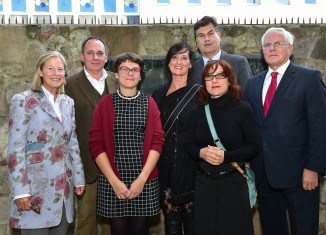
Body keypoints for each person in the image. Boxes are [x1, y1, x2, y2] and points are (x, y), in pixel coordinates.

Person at [245, 27, 326, 235]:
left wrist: (314, 167)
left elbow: (320, 125)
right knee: (272, 229)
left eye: (278, 43)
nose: (272, 48)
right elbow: (253, 127)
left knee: (304, 229)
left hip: (301, 175)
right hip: (264, 175)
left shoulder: (309, 78)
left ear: (290, 48)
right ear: (262, 51)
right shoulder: (253, 84)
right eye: (267, 45)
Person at [7, 51, 85, 234]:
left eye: (60, 69)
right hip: (34, 190)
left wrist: (79, 178)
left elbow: (72, 143)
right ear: (40, 71)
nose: (56, 73)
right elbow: (15, 149)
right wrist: (21, 191)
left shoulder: (68, 103)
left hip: (62, 191)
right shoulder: (23, 101)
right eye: (50, 68)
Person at [88, 52, 165, 235]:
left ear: (140, 75)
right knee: (118, 231)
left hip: (144, 179)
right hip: (113, 179)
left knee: (140, 230)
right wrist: (114, 181)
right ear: (116, 74)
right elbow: (96, 143)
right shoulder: (105, 104)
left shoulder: (150, 103)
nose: (129, 73)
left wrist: (141, 179)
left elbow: (157, 141)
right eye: (124, 69)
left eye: (134, 70)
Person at [186, 60, 259, 235]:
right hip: (204, 184)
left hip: (233, 183)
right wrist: (201, 152)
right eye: (209, 77)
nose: (214, 80)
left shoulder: (243, 109)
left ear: (229, 79)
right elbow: (188, 145)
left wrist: (226, 157)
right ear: (204, 82)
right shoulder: (197, 111)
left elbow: (254, 146)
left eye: (220, 75)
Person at [65, 36, 118, 235]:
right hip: (85, 164)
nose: (95, 57)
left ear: (106, 57)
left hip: (115, 163)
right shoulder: (69, 84)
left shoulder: (117, 80)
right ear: (82, 56)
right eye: (90, 53)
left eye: (100, 53)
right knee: (86, 217)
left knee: (112, 217)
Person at [152, 42, 199, 235]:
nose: (178, 62)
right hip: (165, 166)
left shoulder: (200, 93)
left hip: (192, 166)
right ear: (168, 62)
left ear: (190, 64)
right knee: (171, 224)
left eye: (184, 58)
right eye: (174, 57)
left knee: (193, 223)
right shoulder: (158, 94)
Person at [190, 16, 252, 92]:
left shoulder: (239, 63)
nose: (206, 39)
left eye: (210, 33)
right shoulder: (191, 69)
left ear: (219, 36)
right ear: (196, 42)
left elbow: (248, 95)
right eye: (201, 36)